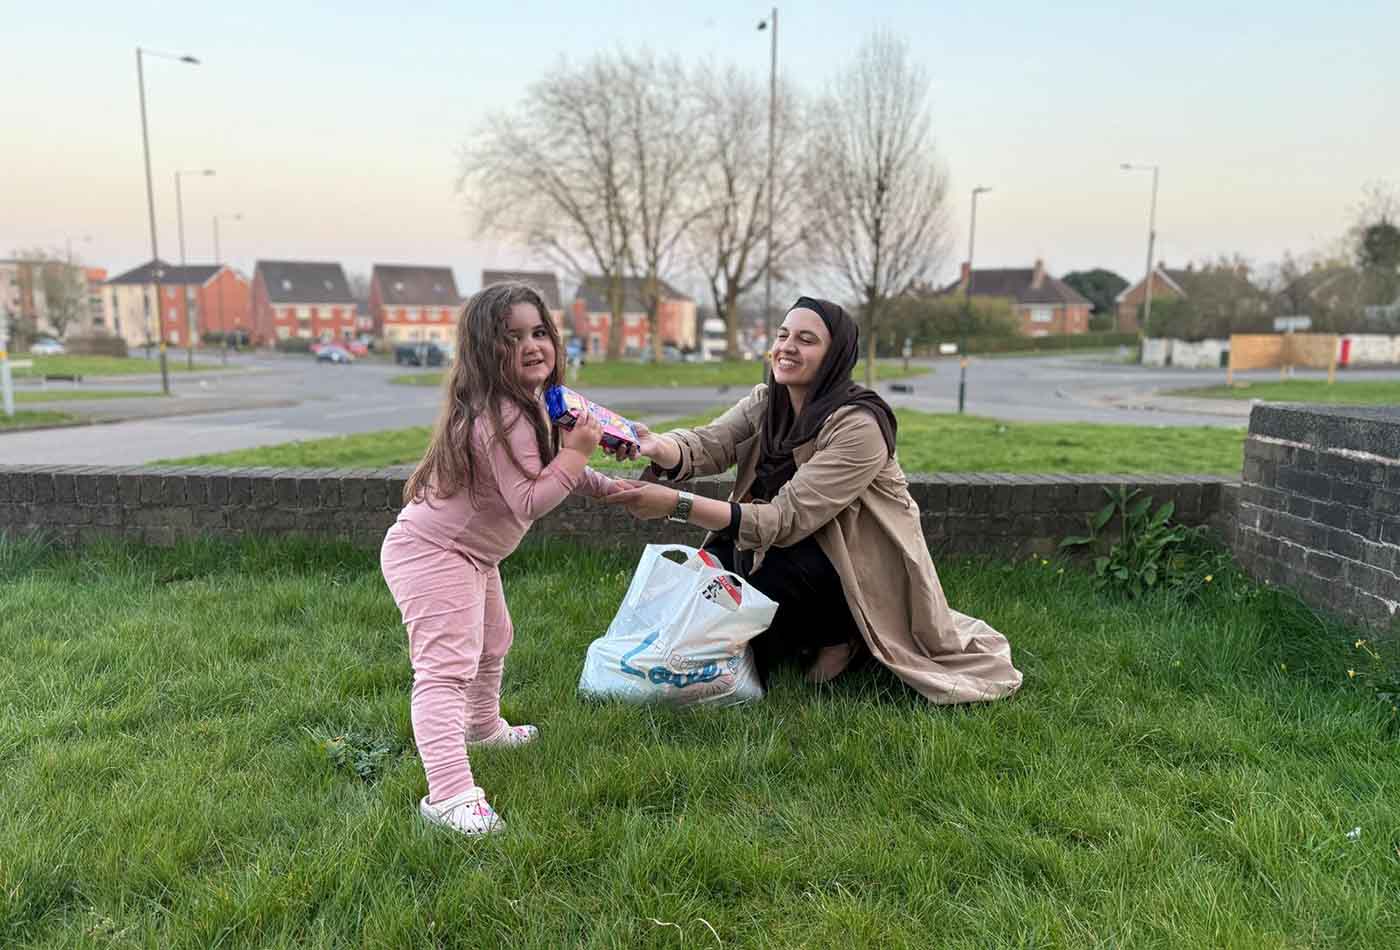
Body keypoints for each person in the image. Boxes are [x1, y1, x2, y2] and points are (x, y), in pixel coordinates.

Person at [604, 296, 1022, 703]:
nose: (787, 346)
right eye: (783, 334)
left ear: (835, 354)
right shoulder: (768, 401)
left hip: (851, 566)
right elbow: (710, 443)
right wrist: (655, 445)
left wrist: (676, 505)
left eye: (806, 339)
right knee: (719, 572)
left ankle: (846, 636)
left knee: (759, 595)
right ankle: (787, 642)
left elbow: (784, 520)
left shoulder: (860, 425)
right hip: (785, 544)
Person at [380, 282, 618, 837]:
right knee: (445, 669)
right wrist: (580, 452)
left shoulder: (529, 406)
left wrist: (610, 488)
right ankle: (450, 794)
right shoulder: (501, 415)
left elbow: (554, 468)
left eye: (540, 332)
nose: (533, 345)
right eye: (513, 338)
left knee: (495, 639)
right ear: (487, 351)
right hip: (434, 553)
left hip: (472, 555)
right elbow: (532, 497)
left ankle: (483, 728)